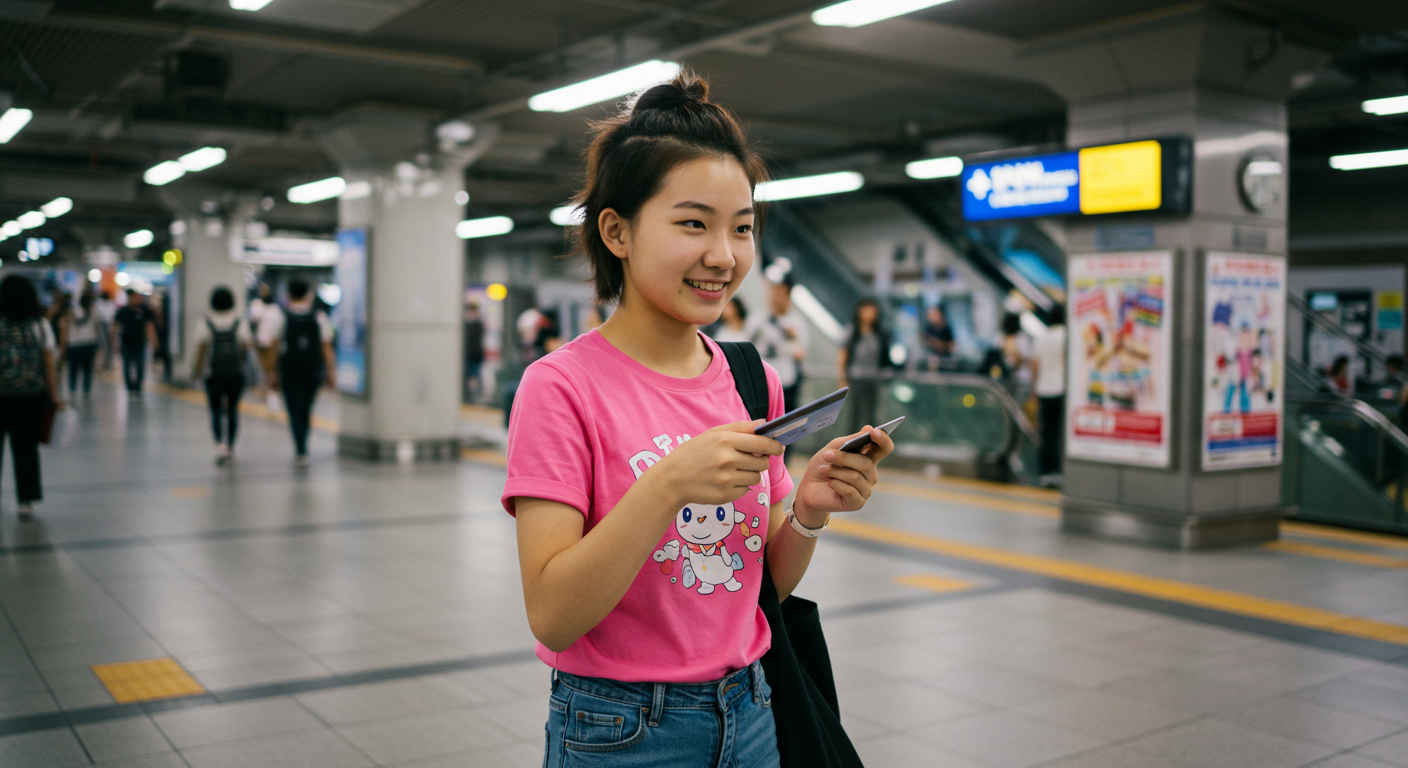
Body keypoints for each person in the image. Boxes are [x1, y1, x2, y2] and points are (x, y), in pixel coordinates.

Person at [504, 73, 893, 767]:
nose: (725, 255)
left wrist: (807, 511)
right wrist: (669, 483)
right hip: (621, 729)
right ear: (617, 231)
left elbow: (759, 587)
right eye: (693, 223)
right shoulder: (561, 387)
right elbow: (554, 615)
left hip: (753, 711)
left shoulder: (751, 378)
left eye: (742, 227)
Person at [0, 275, 63, 521]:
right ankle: (25, 501)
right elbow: (48, 362)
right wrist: (54, 395)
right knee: (25, 449)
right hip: (29, 397)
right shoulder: (40, 325)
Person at [259, 279, 335, 465]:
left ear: (289, 295)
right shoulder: (319, 317)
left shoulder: (282, 316)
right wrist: (331, 372)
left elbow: (274, 346)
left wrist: (271, 372)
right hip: (312, 369)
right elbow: (326, 346)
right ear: (308, 294)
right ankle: (303, 445)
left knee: (293, 408)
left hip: (289, 369)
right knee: (306, 408)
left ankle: (300, 447)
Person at [192, 286, 252, 465]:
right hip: (235, 373)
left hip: (213, 374)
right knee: (233, 409)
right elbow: (246, 345)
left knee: (216, 410)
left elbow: (201, 349)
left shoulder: (206, 322)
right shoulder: (239, 322)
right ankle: (231, 446)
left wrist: (196, 371)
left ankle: (220, 445)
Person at [838, 297, 897, 435]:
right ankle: (850, 443)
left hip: (873, 379)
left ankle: (869, 443)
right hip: (856, 378)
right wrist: (842, 378)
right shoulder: (852, 332)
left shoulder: (880, 334)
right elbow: (843, 355)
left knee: (870, 416)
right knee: (855, 415)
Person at [1029, 305, 1066, 487]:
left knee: (1046, 433)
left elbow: (1035, 365)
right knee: (1059, 433)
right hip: (1061, 390)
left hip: (1043, 390)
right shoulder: (1065, 336)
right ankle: (1058, 471)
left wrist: (1034, 389)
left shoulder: (1041, 337)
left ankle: (1045, 472)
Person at [113, 290, 158, 393]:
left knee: (140, 364)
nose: (137, 299)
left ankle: (138, 385)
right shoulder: (123, 311)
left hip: (140, 343)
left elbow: (149, 326)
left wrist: (153, 340)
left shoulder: (144, 311)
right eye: (135, 297)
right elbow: (115, 326)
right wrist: (113, 341)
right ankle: (129, 385)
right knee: (126, 365)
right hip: (126, 343)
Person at [63, 292, 101, 400]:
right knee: (87, 369)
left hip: (73, 344)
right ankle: (86, 390)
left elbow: (66, 328)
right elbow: (97, 330)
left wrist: (64, 345)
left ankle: (72, 389)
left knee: (73, 368)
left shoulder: (72, 313)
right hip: (89, 343)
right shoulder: (93, 313)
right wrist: (99, 345)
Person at [921, 304, 955, 371]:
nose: (933, 316)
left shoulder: (946, 329)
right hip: (931, 359)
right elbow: (925, 342)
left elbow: (951, 346)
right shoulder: (928, 329)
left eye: (935, 314)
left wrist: (939, 344)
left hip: (946, 360)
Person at [464, 302, 485, 403]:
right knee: (471, 376)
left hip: (475, 355)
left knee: (474, 376)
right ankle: (471, 395)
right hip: (469, 355)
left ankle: (473, 396)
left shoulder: (478, 325)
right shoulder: (467, 325)